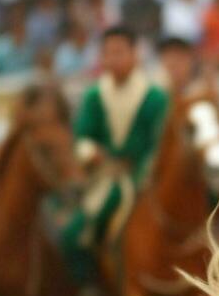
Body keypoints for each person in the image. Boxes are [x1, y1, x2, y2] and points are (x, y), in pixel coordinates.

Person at [60, 25, 170, 282]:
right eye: (107, 53)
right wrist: (89, 153)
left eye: (119, 52)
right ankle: (90, 284)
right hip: (106, 177)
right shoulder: (95, 95)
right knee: (74, 234)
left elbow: (160, 144)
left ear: (135, 55)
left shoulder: (155, 97)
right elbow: (82, 137)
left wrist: (145, 172)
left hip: (146, 179)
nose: (112, 59)